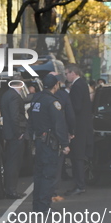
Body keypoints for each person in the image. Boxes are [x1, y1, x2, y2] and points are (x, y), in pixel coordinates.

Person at [27, 74, 70, 213]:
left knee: (39, 175)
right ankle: (44, 207)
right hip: (49, 143)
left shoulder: (36, 99)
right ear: (56, 85)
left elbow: (30, 121)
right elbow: (59, 124)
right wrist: (64, 144)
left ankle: (36, 206)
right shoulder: (52, 102)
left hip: (39, 141)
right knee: (48, 175)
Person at [64, 64, 93, 196]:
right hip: (84, 126)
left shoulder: (76, 86)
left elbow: (76, 107)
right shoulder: (82, 84)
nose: (66, 76)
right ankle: (79, 184)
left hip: (78, 127)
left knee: (77, 157)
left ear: (73, 73)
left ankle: (80, 185)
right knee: (78, 157)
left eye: (67, 73)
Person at [48, 72, 75, 202]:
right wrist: (70, 132)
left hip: (43, 136)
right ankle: (52, 192)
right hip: (57, 135)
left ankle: (45, 191)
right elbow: (69, 116)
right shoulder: (62, 96)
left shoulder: (38, 97)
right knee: (57, 165)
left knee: (44, 165)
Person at [1, 81, 27, 199]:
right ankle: (11, 190)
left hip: (10, 133)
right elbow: (14, 116)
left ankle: (10, 189)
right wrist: (19, 133)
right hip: (14, 134)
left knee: (11, 162)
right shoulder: (14, 96)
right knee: (14, 163)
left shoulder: (7, 94)